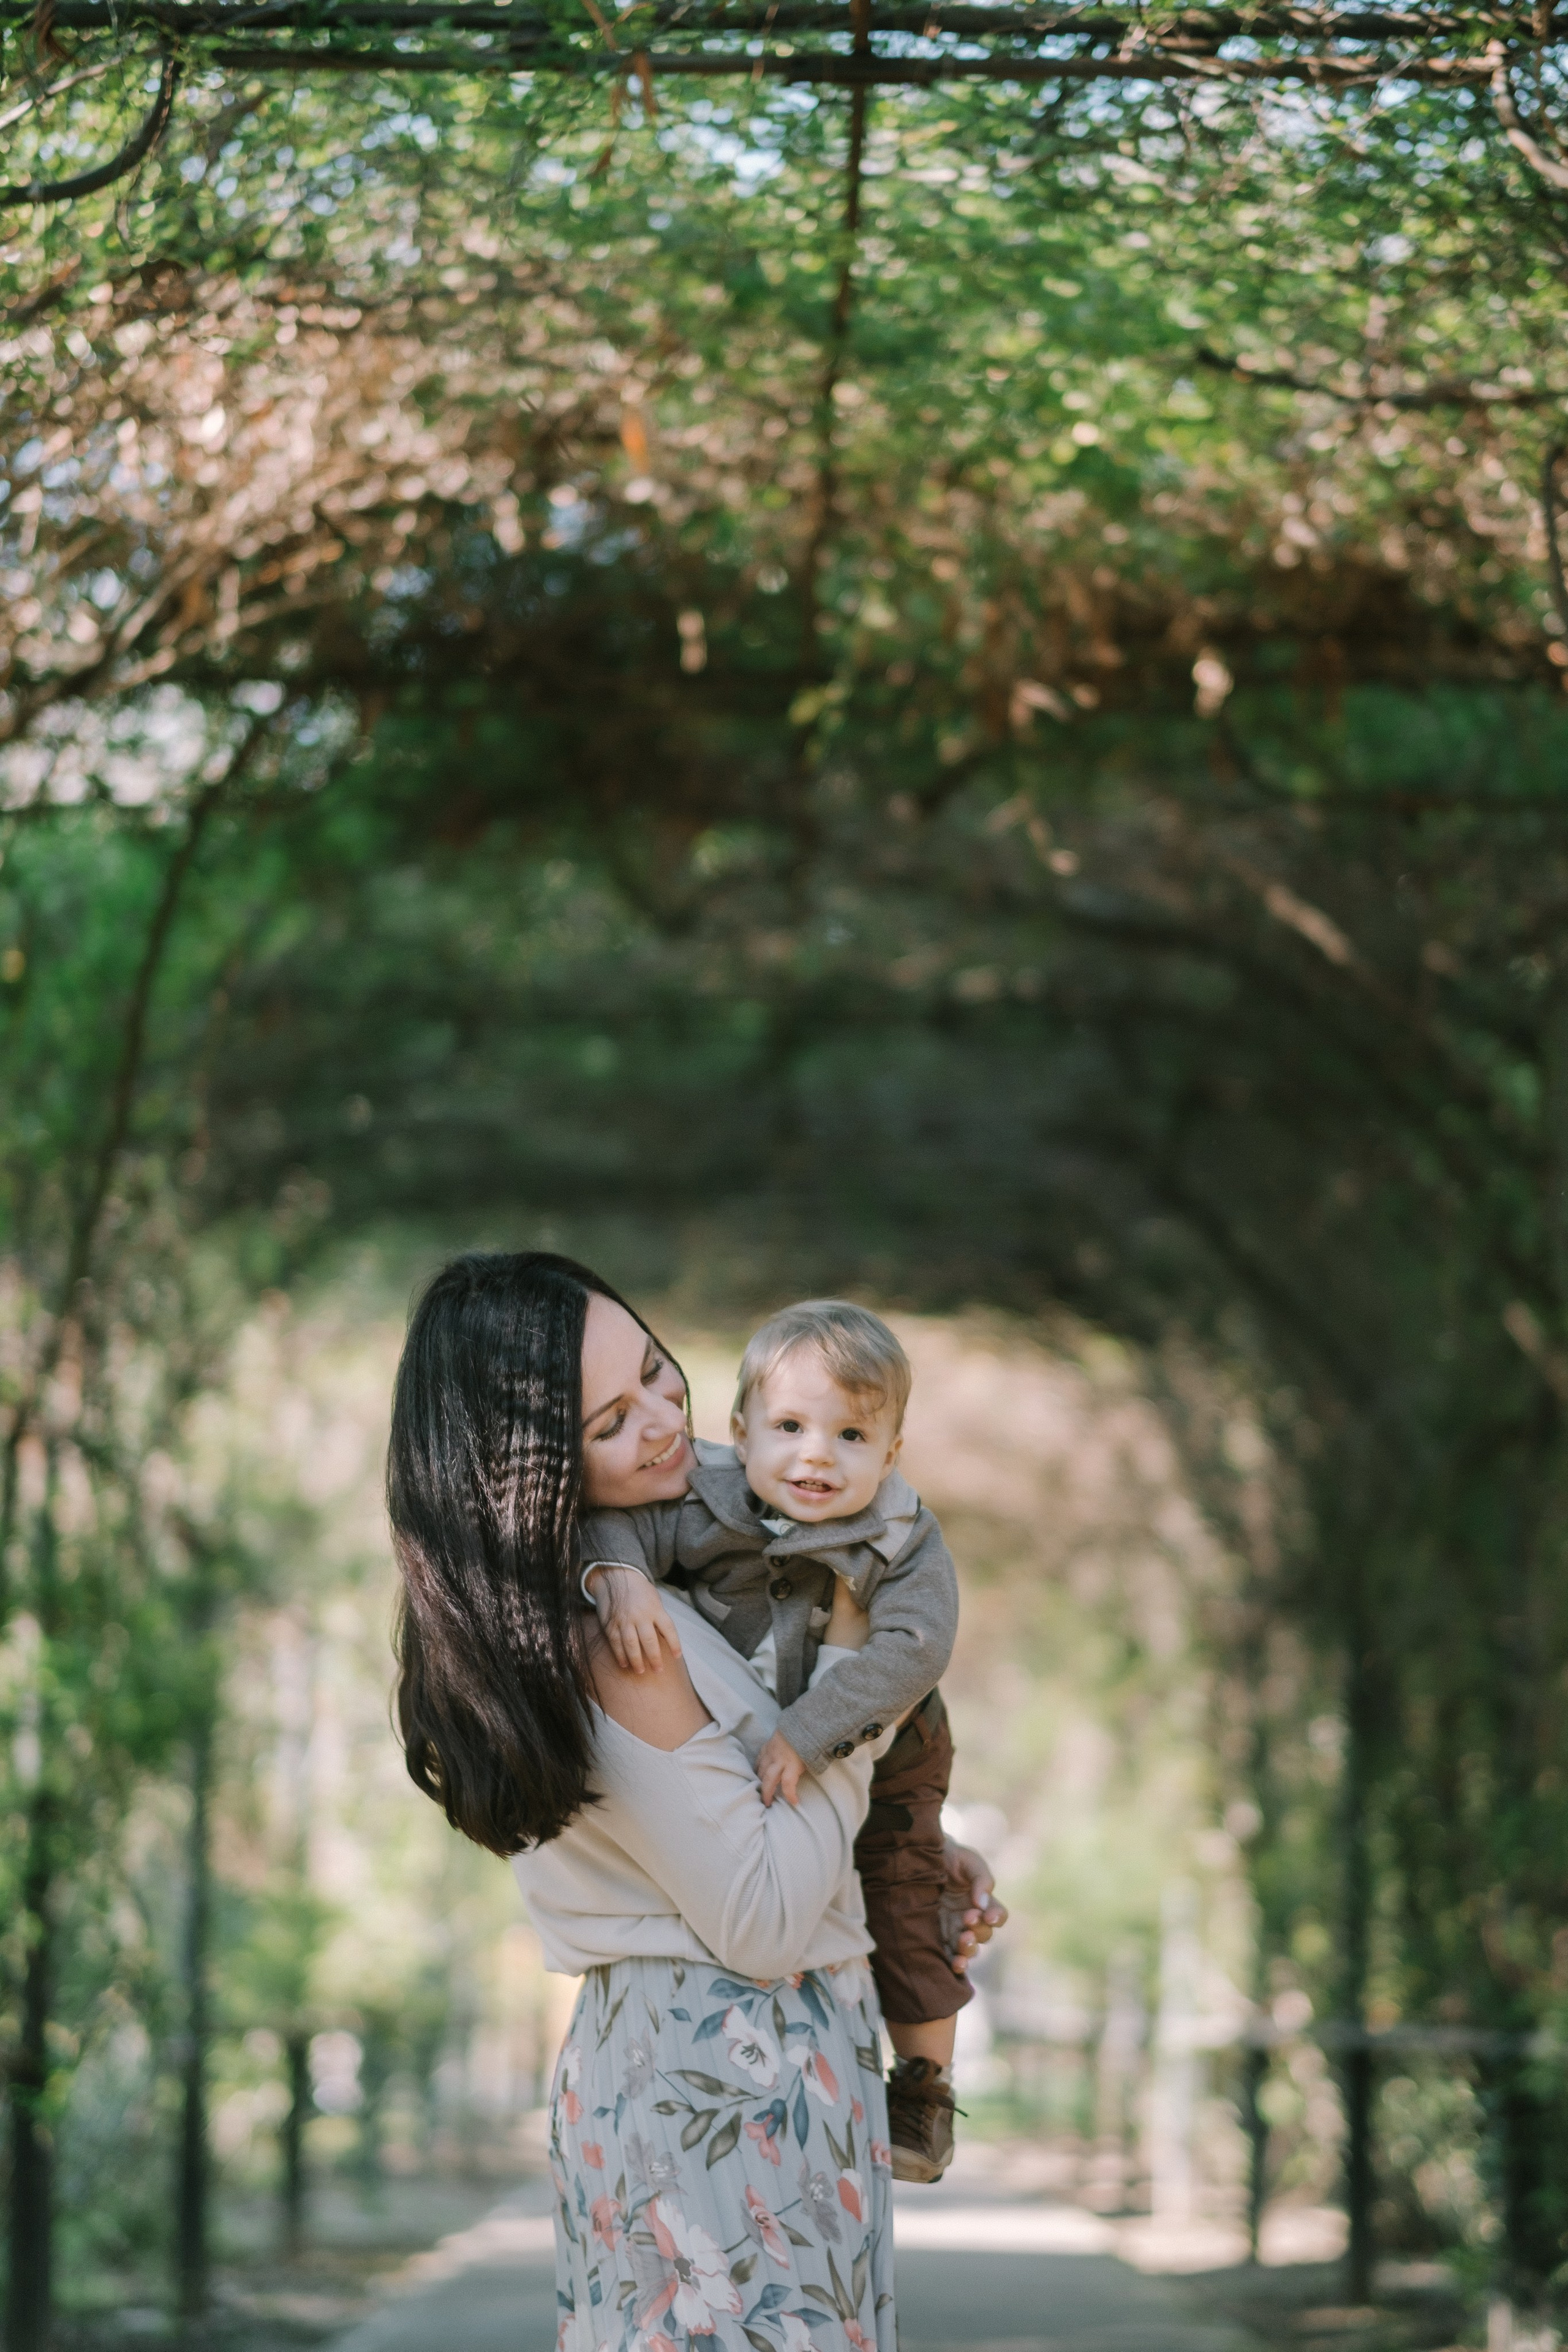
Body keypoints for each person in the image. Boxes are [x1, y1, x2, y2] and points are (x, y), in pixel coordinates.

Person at [388, 1252, 1005, 2352]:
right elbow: (761, 1919)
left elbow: (728, 1816)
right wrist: (856, 1691)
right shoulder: (621, 1640)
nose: (670, 1423)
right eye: (613, 1421)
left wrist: (914, 1842)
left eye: (661, 1374)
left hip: (742, 2077)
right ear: (528, 1469)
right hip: (727, 2078)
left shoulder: (655, 1575)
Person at [578, 1301, 970, 2182]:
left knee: (907, 1896)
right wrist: (620, 1580)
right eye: (789, 1427)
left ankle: (926, 2081)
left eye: (852, 1435)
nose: (817, 1455)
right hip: (772, 1752)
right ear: (740, 1432)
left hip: (891, 1735)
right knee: (840, 1884)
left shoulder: (900, 1536)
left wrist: (814, 1730)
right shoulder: (707, 1499)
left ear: (893, 1453)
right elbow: (611, 1523)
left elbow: (916, 1646)